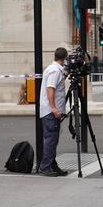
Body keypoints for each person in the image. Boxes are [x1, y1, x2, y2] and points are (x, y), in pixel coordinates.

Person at [38, 47, 69, 177]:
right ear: (64, 59)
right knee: (51, 140)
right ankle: (45, 167)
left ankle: (52, 165)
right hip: (50, 112)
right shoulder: (54, 71)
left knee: (53, 140)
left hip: (50, 111)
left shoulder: (55, 70)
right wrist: (54, 108)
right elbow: (50, 89)